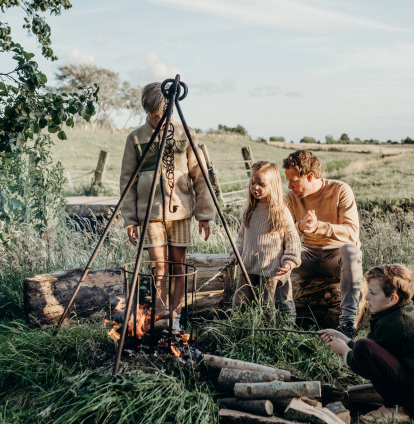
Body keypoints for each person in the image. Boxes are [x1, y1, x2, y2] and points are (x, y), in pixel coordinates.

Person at [120, 82, 215, 329]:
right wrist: (130, 219)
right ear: (147, 112)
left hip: (180, 212)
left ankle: (176, 316)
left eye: (165, 114)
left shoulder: (186, 134)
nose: (161, 119)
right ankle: (161, 315)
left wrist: (205, 214)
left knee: (178, 265)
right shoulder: (136, 138)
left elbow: (200, 175)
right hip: (150, 214)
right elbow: (127, 182)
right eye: (155, 116)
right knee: (159, 268)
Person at [319, 264, 414, 422]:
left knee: (362, 345)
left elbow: (365, 363)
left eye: (373, 293)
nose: (366, 297)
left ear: (392, 298)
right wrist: (346, 340)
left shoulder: (396, 322)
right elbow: (379, 350)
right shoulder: (396, 312)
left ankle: (393, 408)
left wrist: (344, 352)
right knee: (362, 345)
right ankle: (397, 398)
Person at [283, 149, 363, 338]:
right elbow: (280, 232)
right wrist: (300, 227)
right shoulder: (291, 198)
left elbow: (352, 232)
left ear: (309, 176)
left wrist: (320, 227)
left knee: (351, 251)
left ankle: (348, 324)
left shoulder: (340, 190)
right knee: (277, 249)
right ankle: (285, 320)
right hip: (307, 256)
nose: (289, 185)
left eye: (293, 180)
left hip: (335, 256)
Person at [231, 161, 301, 318]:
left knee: (269, 306)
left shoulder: (280, 212)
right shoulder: (250, 209)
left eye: (261, 184)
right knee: (239, 302)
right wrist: (236, 254)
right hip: (248, 267)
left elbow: (292, 239)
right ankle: (237, 329)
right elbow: (242, 237)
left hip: (271, 269)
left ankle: (279, 334)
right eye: (253, 183)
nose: (255, 187)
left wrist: (289, 261)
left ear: (273, 186)